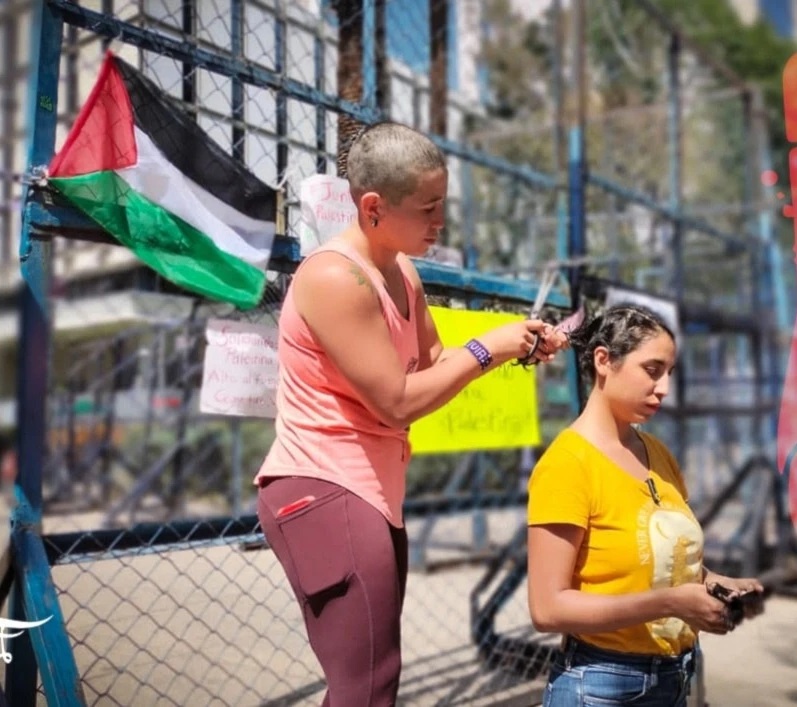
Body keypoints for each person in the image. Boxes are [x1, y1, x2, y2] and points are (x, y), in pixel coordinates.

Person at [254, 121, 570, 707]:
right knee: (368, 685)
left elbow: (435, 364)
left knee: (374, 682)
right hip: (322, 485)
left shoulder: (402, 270)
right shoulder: (334, 277)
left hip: (370, 488)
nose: (440, 221)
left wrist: (514, 345)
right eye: (428, 208)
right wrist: (490, 347)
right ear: (373, 207)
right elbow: (398, 400)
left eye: (442, 204)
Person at [526, 304, 765, 707]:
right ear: (604, 361)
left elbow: (652, 558)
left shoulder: (657, 452)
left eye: (669, 372)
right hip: (600, 686)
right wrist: (671, 603)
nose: (664, 388)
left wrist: (713, 581)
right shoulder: (567, 464)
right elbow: (547, 609)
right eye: (652, 370)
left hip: (675, 677)